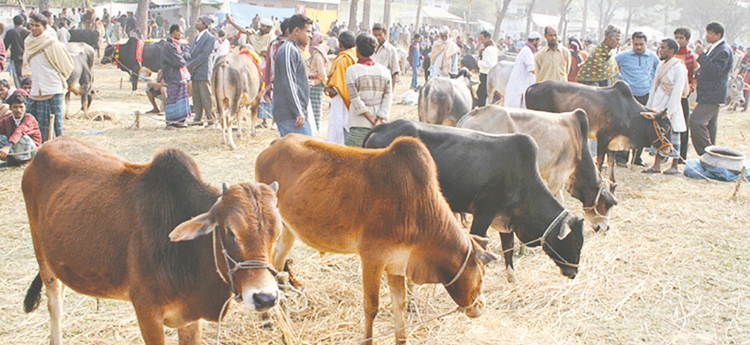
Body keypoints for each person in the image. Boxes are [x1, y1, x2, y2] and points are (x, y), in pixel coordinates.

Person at [24, 13, 73, 142]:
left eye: (37, 26)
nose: (33, 28)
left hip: (52, 87)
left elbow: (67, 66)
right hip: (36, 90)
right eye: (32, 25)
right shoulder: (28, 42)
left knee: (57, 126)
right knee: (33, 124)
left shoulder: (53, 44)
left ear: (45, 27)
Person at [643, 38, 688, 175]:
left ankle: (674, 165)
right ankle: (656, 165)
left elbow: (677, 90)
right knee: (659, 135)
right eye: (660, 47)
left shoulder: (679, 67)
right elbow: (655, 87)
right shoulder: (661, 65)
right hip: (658, 103)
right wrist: (649, 107)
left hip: (670, 106)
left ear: (672, 51)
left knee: (673, 134)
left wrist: (669, 110)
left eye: (663, 48)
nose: (660, 50)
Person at [615, 31, 660, 166]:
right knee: (625, 125)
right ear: (631, 43)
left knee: (642, 126)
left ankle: (637, 158)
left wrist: (650, 80)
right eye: (636, 44)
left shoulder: (652, 56)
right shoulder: (623, 56)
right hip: (627, 95)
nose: (639, 47)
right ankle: (621, 158)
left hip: (644, 94)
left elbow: (659, 70)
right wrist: (619, 79)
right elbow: (612, 67)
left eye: (641, 44)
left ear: (646, 43)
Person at [690, 22, 733, 156]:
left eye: (709, 33)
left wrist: (702, 56)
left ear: (718, 35)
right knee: (710, 127)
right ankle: (711, 158)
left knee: (696, 121)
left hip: (712, 94)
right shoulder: (715, 48)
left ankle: (708, 154)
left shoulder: (723, 50)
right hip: (708, 92)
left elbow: (716, 70)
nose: (706, 36)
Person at [345, 33, 392, 147]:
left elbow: (355, 98)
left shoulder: (352, 70)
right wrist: (379, 119)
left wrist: (370, 118)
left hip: (359, 124)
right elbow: (388, 96)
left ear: (357, 49)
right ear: (375, 50)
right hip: (379, 127)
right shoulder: (384, 71)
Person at [273, 14, 313, 137]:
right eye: (308, 31)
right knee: (303, 154)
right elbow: (288, 82)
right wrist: (298, 111)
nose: (310, 35)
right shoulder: (288, 50)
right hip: (291, 116)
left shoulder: (294, 49)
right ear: (296, 31)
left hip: (294, 115)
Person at [325, 31, 357, 145]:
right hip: (354, 99)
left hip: (342, 100)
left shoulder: (342, 59)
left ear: (340, 45)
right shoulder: (356, 55)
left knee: (340, 127)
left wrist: (328, 88)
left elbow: (338, 85)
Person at [673, 27, 699, 161]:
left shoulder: (691, 56)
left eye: (681, 38)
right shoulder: (669, 52)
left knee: (683, 122)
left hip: (683, 94)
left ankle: (681, 155)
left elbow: (695, 74)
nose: (678, 40)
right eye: (676, 37)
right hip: (669, 92)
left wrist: (692, 86)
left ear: (687, 40)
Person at [187, 15, 216, 127]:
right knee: (196, 96)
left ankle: (211, 119)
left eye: (199, 21)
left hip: (203, 70)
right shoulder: (195, 37)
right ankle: (198, 119)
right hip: (194, 71)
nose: (197, 23)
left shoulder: (210, 38)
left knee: (206, 96)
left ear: (205, 24)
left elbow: (204, 55)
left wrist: (191, 65)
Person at [161, 24, 191, 128]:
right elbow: (180, 62)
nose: (181, 35)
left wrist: (183, 56)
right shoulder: (169, 46)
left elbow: (187, 55)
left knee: (181, 98)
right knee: (173, 98)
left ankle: (179, 121)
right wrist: (183, 57)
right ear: (174, 32)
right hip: (173, 76)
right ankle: (170, 122)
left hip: (180, 76)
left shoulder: (178, 45)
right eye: (180, 32)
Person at [0, 93, 42, 166]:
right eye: (15, 107)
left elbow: (19, 131)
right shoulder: (7, 120)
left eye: (21, 107)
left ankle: (27, 161)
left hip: (31, 151)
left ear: (25, 107)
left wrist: (7, 147)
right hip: (15, 149)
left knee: (23, 137)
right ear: (10, 108)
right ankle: (11, 160)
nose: (18, 110)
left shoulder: (29, 118)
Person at [505, 31, 541, 109]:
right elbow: (532, 69)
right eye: (538, 42)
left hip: (524, 86)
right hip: (519, 87)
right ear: (535, 41)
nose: (539, 44)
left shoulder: (530, 51)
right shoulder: (526, 51)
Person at [308, 31, 328, 131]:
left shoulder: (318, 55)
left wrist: (325, 83)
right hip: (312, 83)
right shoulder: (314, 53)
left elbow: (321, 71)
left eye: (311, 39)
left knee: (315, 107)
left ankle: (316, 128)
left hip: (316, 83)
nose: (309, 41)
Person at [4, 15, 30, 89]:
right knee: (27, 75)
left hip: (16, 56)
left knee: (18, 75)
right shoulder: (28, 32)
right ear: (23, 22)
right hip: (26, 57)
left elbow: (5, 45)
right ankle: (27, 89)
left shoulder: (11, 32)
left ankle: (20, 89)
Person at [371, 23, 400, 90]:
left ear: (385, 34)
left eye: (380, 35)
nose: (377, 37)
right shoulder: (370, 48)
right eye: (375, 35)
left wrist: (391, 91)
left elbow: (395, 72)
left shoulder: (391, 50)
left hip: (384, 87)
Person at [477, 30, 498, 106]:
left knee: (482, 94)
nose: (481, 41)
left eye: (482, 39)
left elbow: (489, 64)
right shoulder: (492, 48)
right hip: (489, 74)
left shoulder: (489, 50)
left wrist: (478, 62)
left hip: (486, 74)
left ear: (487, 38)